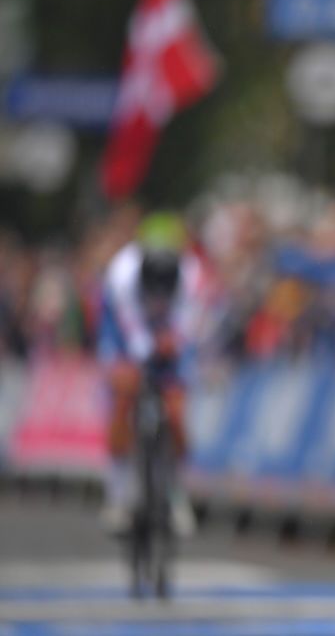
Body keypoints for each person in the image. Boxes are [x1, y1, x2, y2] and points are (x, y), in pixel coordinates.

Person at [97, 211, 201, 536]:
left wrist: (172, 344)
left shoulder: (191, 274)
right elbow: (128, 327)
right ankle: (116, 496)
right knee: (124, 393)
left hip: (168, 327)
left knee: (176, 409)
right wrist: (145, 351)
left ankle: (175, 492)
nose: (157, 298)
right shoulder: (121, 274)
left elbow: (188, 325)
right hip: (123, 327)